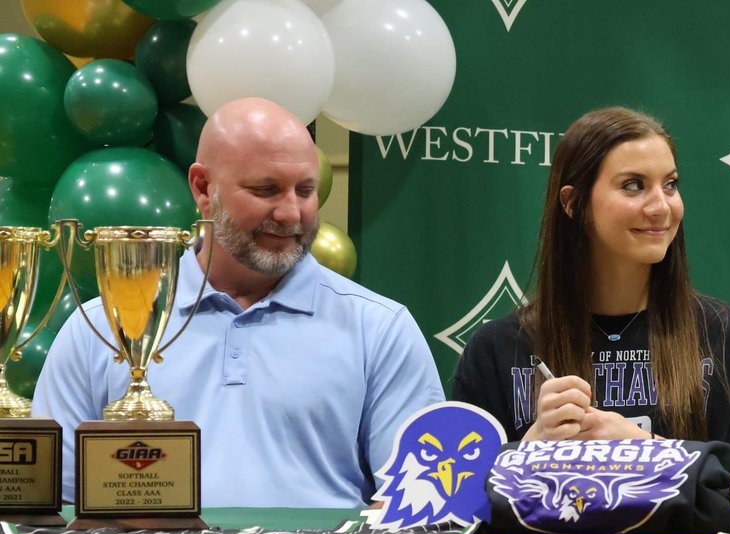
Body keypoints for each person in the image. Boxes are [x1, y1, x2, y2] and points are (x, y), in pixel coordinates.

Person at [33, 97, 444, 508]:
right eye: (265, 189)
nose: (290, 213)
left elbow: (416, 503)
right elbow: (55, 506)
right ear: (202, 188)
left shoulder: (380, 328)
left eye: (305, 190)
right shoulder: (99, 329)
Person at [452, 106, 730, 471]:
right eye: (633, 186)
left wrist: (644, 448)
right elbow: (459, 508)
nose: (661, 207)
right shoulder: (496, 350)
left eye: (670, 185)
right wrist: (530, 449)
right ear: (573, 203)